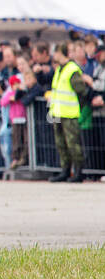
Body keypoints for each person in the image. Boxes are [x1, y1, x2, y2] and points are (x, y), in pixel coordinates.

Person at [48, 42, 89, 182]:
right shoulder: (59, 69)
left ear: (61, 53)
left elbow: (82, 92)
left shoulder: (72, 69)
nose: (54, 56)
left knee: (73, 144)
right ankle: (65, 170)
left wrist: (79, 107)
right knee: (61, 143)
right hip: (58, 113)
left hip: (69, 113)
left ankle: (78, 172)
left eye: (56, 52)